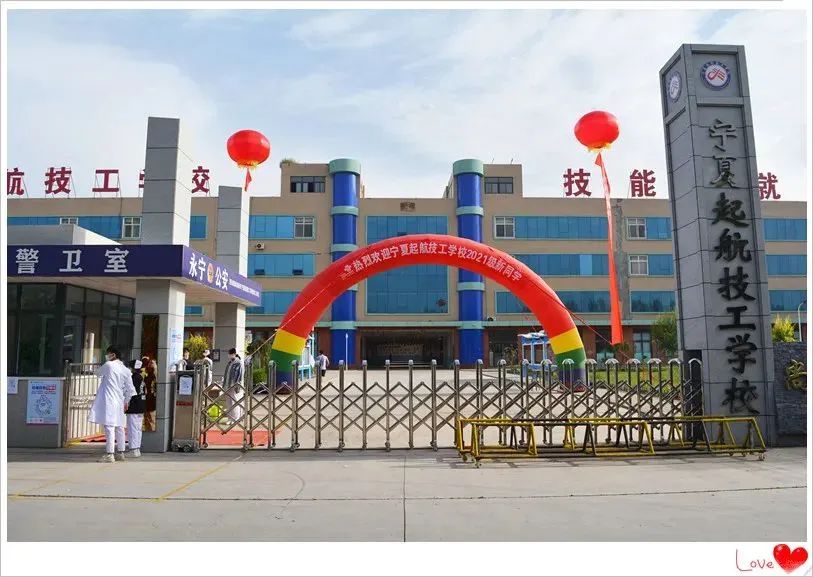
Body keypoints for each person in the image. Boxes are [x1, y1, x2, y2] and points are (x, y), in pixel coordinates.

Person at [88, 346, 136, 463]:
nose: (107, 356)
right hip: (119, 401)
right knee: (120, 427)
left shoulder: (109, 365)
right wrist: (126, 401)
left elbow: (97, 373)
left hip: (109, 400)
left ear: (113, 355)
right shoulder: (126, 370)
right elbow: (130, 389)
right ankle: (121, 452)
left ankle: (110, 454)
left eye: (108, 353)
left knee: (109, 427)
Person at [125, 359, 146, 458]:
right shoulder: (141, 377)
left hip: (134, 406)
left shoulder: (133, 378)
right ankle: (137, 449)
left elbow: (130, 392)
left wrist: (126, 403)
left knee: (132, 428)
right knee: (138, 429)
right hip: (141, 405)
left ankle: (133, 449)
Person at [223, 347, 245, 422]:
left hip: (234, 386)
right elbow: (226, 375)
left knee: (235, 402)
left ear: (235, 354)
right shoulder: (229, 363)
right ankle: (230, 418)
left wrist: (237, 386)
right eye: (229, 354)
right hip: (227, 385)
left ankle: (235, 418)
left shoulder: (239, 363)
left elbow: (240, 376)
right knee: (228, 402)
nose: (229, 355)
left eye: (230, 354)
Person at [143, 357, 157, 432]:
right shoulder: (147, 376)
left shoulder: (154, 376)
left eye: (151, 363)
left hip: (152, 400)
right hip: (147, 400)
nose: (149, 364)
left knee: (151, 420)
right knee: (147, 420)